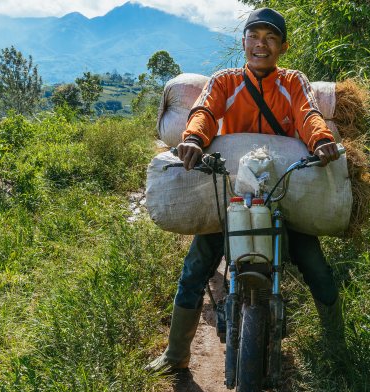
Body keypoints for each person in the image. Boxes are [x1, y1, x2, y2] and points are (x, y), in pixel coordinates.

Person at [146, 7, 344, 372]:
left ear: (283, 46)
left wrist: (320, 140)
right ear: (244, 43)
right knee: (195, 269)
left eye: (270, 38)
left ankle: (337, 349)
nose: (261, 45)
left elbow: (308, 113)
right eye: (254, 37)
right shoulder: (225, 81)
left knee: (317, 268)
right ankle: (176, 356)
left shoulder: (293, 81)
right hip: (234, 192)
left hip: (282, 193)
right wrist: (192, 139)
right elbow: (204, 110)